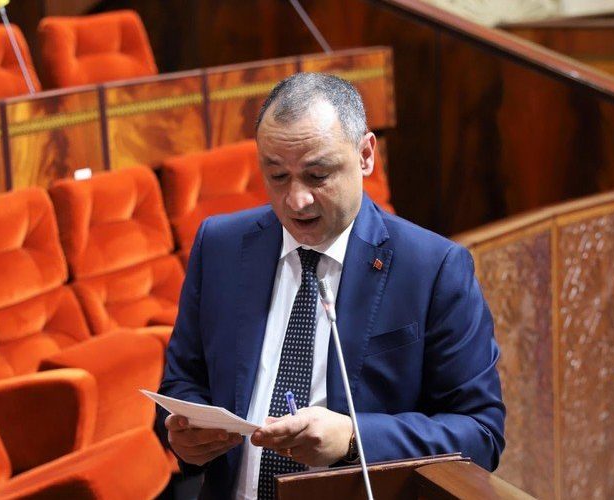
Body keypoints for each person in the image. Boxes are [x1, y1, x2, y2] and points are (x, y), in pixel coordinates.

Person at [159, 72, 505, 499]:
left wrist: (355, 438)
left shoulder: (434, 269)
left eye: (317, 175)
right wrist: (184, 437)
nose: (296, 200)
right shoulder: (220, 245)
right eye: (277, 176)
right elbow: (181, 382)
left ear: (365, 155)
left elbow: (481, 433)